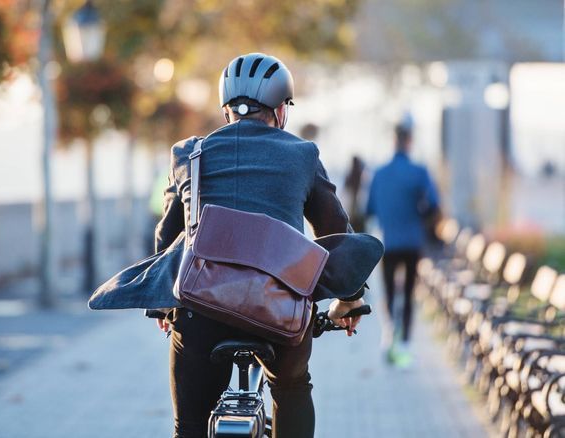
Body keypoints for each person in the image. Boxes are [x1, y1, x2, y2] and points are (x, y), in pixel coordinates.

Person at [154, 53, 365, 438]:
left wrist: (162, 304)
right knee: (291, 387)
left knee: (190, 424)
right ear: (282, 111)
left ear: (225, 112)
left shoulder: (189, 154)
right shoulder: (302, 155)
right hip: (280, 310)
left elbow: (167, 239)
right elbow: (336, 235)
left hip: (201, 309)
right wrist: (348, 300)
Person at [366, 115, 440, 368]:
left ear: (393, 141)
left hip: (388, 242)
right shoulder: (420, 172)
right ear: (409, 141)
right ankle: (406, 343)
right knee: (408, 293)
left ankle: (388, 335)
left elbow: (370, 209)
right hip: (412, 240)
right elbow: (433, 205)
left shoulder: (379, 173)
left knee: (387, 292)